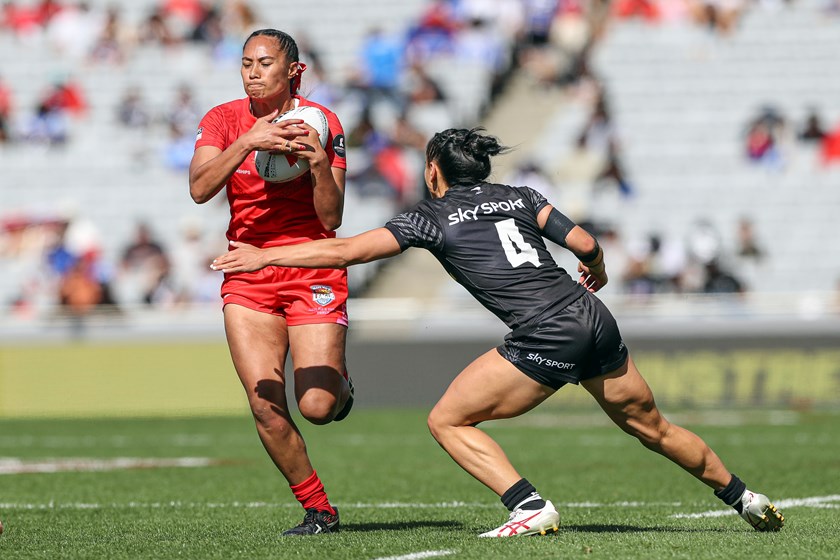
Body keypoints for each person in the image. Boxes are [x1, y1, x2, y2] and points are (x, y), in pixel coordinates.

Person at [211, 127, 786, 537]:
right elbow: (585, 244)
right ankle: (744, 496)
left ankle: (527, 506)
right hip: (591, 317)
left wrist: (263, 258)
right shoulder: (521, 196)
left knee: (447, 420)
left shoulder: (428, 216)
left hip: (545, 331)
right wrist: (601, 272)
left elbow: (345, 249)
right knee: (652, 427)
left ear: (434, 170)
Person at [189, 28, 353, 536]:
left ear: (293, 71)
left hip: (312, 266)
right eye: (246, 63)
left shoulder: (321, 122)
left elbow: (332, 219)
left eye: (264, 63)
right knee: (263, 402)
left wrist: (320, 166)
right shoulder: (222, 120)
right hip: (247, 271)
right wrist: (246, 141)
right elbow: (198, 189)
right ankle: (318, 510)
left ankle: (342, 391)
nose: (253, 72)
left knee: (318, 407)